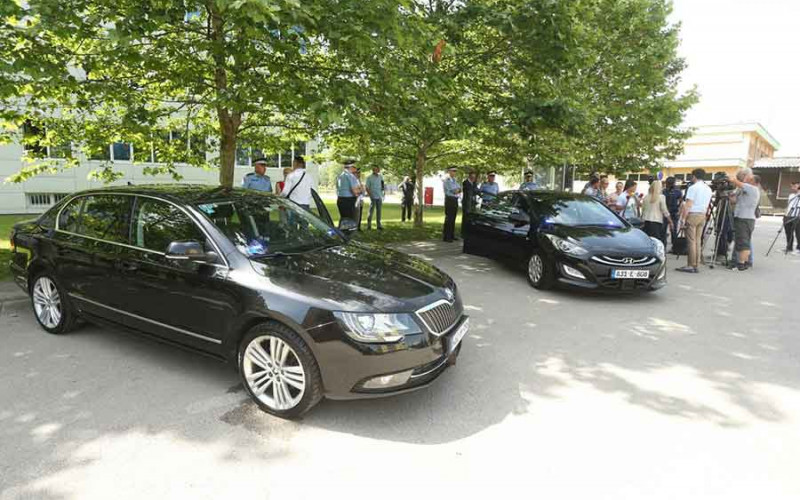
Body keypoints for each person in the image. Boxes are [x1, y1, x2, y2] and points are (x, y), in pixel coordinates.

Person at [676, 169, 712, 273]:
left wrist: (682, 219)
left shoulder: (693, 188)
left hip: (693, 214)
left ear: (694, 176)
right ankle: (697, 263)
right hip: (702, 214)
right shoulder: (708, 188)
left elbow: (688, 205)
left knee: (691, 241)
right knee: (697, 240)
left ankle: (691, 264)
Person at [727, 167, 760, 271]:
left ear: (753, 181)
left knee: (743, 242)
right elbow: (734, 201)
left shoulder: (752, 188)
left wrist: (730, 178)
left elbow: (735, 181)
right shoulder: (745, 189)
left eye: (748, 178)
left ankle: (741, 264)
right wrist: (731, 197)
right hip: (742, 217)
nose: (745, 179)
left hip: (744, 219)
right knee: (743, 241)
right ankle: (744, 262)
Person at [336, 160, 360, 227]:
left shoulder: (340, 176)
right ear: (351, 167)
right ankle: (347, 236)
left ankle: (340, 235)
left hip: (340, 200)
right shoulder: (351, 176)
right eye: (355, 167)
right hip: (349, 201)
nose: (355, 169)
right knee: (350, 221)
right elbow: (354, 191)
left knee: (343, 219)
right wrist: (361, 192)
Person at [662, 176, 683, 249]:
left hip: (665, 212)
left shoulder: (663, 191)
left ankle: (663, 246)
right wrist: (679, 211)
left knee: (663, 230)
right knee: (673, 230)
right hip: (674, 212)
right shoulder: (678, 191)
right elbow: (681, 202)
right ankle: (675, 247)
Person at [443, 167, 461, 242]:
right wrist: (457, 190)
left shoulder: (454, 180)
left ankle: (451, 235)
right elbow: (454, 191)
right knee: (449, 218)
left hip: (455, 200)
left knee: (453, 218)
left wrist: (458, 190)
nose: (454, 172)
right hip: (449, 200)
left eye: (455, 171)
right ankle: (447, 236)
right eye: (453, 171)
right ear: (449, 171)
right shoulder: (447, 181)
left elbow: (460, 189)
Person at [365, 165, 384, 230]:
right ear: (373, 170)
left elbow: (382, 185)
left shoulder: (380, 177)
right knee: (371, 211)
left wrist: (382, 193)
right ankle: (369, 225)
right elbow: (367, 187)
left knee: (379, 211)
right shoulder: (369, 178)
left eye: (378, 169)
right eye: (376, 169)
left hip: (379, 196)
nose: (377, 170)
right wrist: (370, 195)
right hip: (373, 196)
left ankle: (379, 225)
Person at [784, 181, 800, 254]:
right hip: (788, 216)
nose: (792, 187)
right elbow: (789, 206)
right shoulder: (791, 195)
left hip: (797, 216)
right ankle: (789, 247)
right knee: (788, 232)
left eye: (794, 185)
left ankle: (799, 248)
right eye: (792, 186)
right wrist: (785, 215)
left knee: (798, 233)